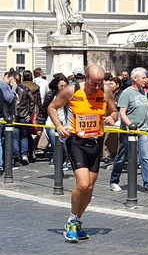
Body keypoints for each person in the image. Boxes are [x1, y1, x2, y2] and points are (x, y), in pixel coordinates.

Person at [48, 64, 118, 243]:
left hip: (96, 142)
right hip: (76, 142)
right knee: (82, 183)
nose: (97, 87)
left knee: (90, 188)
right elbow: (52, 107)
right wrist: (59, 126)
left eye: (100, 83)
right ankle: (71, 220)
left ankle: (77, 221)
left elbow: (114, 111)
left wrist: (112, 117)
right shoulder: (72, 90)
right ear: (85, 78)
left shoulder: (106, 91)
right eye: (94, 83)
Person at [109, 67, 148, 194]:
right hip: (129, 131)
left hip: (143, 130)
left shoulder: (143, 92)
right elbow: (122, 113)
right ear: (135, 78)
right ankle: (114, 180)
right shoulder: (126, 93)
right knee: (122, 156)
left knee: (145, 157)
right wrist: (131, 125)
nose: (145, 80)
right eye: (143, 77)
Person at [13, 72, 34, 166]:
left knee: (15, 137)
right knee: (24, 137)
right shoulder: (25, 89)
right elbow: (32, 100)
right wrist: (30, 113)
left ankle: (16, 157)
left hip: (15, 116)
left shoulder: (11, 89)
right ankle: (24, 155)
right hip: (24, 115)